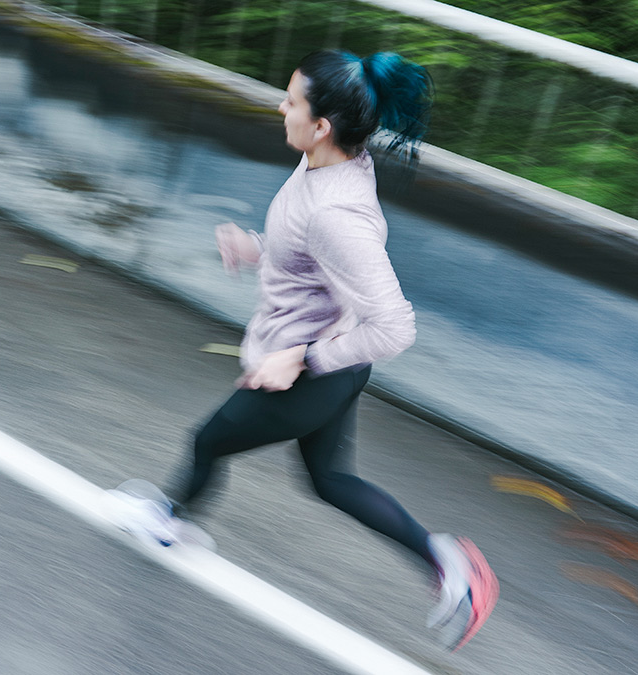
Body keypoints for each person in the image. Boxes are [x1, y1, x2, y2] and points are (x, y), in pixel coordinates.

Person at [109, 49, 497, 651]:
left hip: (312, 373)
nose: (279, 106)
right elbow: (311, 257)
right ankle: (447, 562)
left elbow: (395, 326)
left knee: (209, 440)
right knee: (331, 479)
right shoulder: (327, 163)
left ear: (322, 126)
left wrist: (302, 357)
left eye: (291, 101)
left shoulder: (339, 212)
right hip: (330, 364)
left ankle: (168, 521)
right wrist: (258, 249)